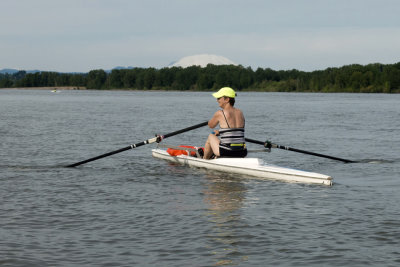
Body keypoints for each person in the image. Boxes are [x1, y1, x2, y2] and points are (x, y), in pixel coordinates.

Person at [203, 87, 247, 159]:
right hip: (242, 151)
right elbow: (234, 130)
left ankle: (204, 160)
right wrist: (220, 131)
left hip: (227, 151)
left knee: (211, 136)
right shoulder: (240, 112)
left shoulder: (220, 113)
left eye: (219, 98)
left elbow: (210, 125)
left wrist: (216, 131)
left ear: (227, 99)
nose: (217, 100)